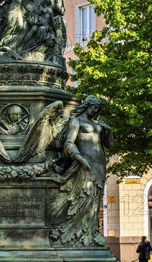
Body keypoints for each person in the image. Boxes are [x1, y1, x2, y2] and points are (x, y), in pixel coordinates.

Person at [49, 95, 113, 247]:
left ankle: (90, 232)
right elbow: (69, 143)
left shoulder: (98, 124)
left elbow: (109, 145)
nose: (96, 111)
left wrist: (108, 132)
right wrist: (80, 158)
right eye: (95, 107)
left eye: (98, 109)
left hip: (98, 166)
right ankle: (77, 234)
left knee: (94, 201)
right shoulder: (76, 121)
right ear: (88, 105)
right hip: (85, 165)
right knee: (83, 199)